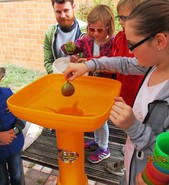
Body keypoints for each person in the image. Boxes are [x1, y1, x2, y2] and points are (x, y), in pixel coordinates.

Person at [64, 0, 169, 184]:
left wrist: (133, 126)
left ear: (159, 41)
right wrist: (89, 64)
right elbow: (123, 63)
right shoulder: (154, 66)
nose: (129, 50)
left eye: (133, 44)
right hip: (132, 166)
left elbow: (164, 156)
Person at [62, 4, 115, 163]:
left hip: (105, 87)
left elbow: (112, 63)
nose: (95, 33)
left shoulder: (113, 42)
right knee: (93, 115)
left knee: (101, 119)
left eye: (100, 30)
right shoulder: (86, 39)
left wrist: (88, 61)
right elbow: (73, 47)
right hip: (91, 85)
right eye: (92, 29)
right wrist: (71, 50)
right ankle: (98, 142)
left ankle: (104, 148)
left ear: (109, 27)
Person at [105, 0, 145, 177]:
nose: (120, 21)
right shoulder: (121, 38)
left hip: (139, 96)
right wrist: (92, 64)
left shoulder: (144, 44)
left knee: (137, 128)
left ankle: (129, 162)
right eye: (119, 16)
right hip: (124, 93)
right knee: (127, 129)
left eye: (125, 17)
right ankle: (128, 152)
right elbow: (119, 63)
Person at [0, 58, 26, 185]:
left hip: (14, 146)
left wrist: (14, 131)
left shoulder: (8, 94)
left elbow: (21, 115)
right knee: (1, 181)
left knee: (17, 176)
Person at [43, 0, 86, 74]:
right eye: (58, 12)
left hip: (81, 79)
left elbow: (96, 61)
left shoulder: (87, 31)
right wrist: (58, 76)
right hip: (58, 78)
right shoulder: (49, 34)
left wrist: (81, 61)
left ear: (73, 7)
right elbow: (48, 62)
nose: (63, 16)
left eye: (66, 10)